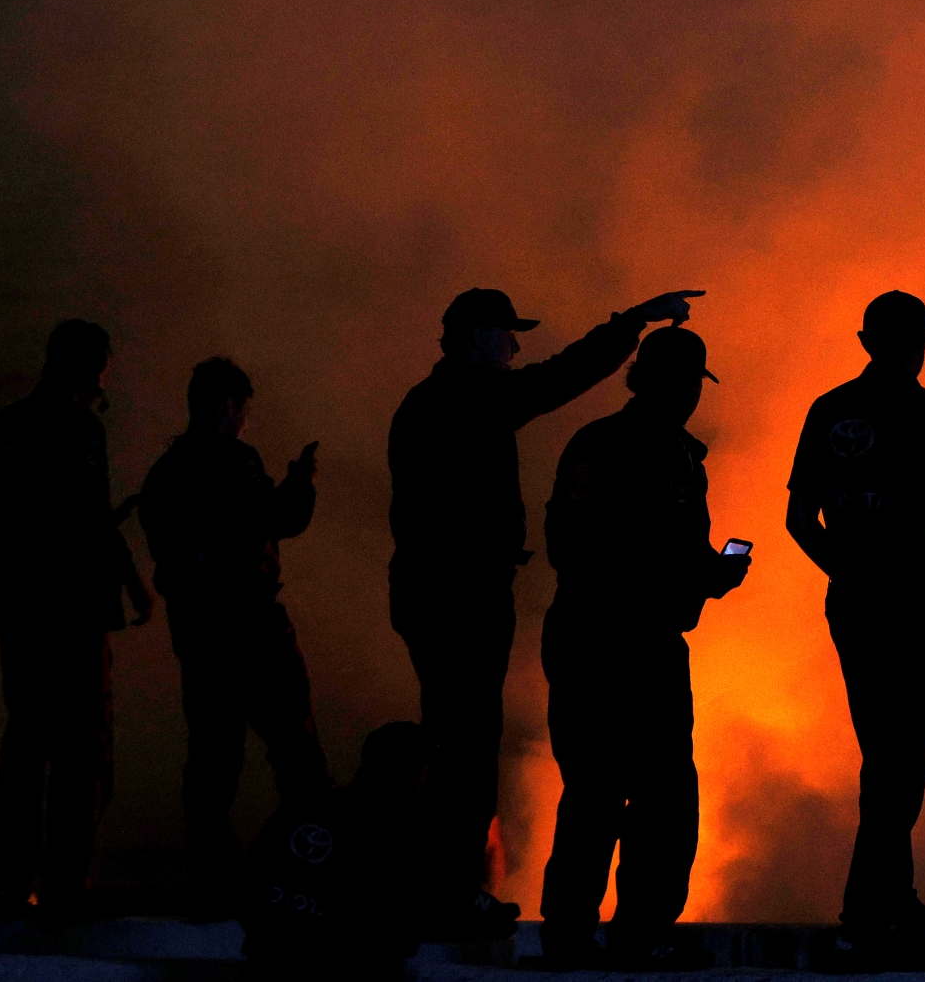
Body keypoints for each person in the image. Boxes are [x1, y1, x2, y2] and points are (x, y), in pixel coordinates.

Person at [385, 285, 704, 938]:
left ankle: (445, 885)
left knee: (459, 736)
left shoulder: (430, 402)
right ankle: (449, 892)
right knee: (466, 742)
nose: (515, 348)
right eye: (507, 335)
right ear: (477, 335)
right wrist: (631, 322)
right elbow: (558, 378)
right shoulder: (467, 399)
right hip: (460, 592)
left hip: (444, 587)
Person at [535, 327, 749, 970]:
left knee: (637, 794)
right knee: (621, 792)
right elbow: (572, 542)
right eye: (684, 384)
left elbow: (673, 555)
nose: (688, 398)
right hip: (608, 641)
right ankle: (603, 934)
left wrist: (711, 575)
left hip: (638, 639)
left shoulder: (671, 454)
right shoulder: (611, 448)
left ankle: (606, 933)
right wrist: (628, 598)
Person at [784, 290, 925, 960]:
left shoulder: (830, 411)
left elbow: (801, 520)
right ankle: (868, 907)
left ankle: (891, 895)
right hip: (910, 599)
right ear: (918, 341)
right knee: (899, 755)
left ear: (864, 339)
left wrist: (847, 571)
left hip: (863, 604)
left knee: (890, 752)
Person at [0, 319, 154, 921]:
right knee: (79, 753)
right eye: (101, 363)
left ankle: (15, 880)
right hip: (71, 616)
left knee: (29, 744)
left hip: (29, 614)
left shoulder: (9, 426)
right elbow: (88, 522)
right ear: (81, 366)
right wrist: (128, 585)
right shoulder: (81, 430)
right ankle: (62, 884)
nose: (106, 375)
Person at [139, 356, 329, 916]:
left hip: (199, 635)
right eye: (243, 409)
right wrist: (301, 482)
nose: (245, 421)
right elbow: (279, 519)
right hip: (251, 629)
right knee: (298, 756)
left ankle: (212, 885)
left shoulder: (165, 472)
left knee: (213, 761)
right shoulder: (235, 462)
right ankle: (311, 874)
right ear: (227, 405)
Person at [242, 721, 430, 980]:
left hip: (266, 965)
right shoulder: (388, 842)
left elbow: (249, 887)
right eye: (424, 771)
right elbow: (399, 937)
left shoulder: (302, 810)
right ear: (409, 775)